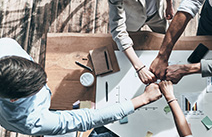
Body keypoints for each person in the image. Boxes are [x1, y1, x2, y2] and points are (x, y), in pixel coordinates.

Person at [0, 38, 162, 135]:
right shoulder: (32, 121)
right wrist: (143, 99)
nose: (46, 82)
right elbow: (88, 119)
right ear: (14, 99)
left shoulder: (6, 46)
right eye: (36, 89)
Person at [106, 0, 175, 84]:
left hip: (157, 14)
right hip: (132, 20)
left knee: (166, 39)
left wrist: (169, 5)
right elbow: (117, 26)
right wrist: (139, 67)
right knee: (130, 49)